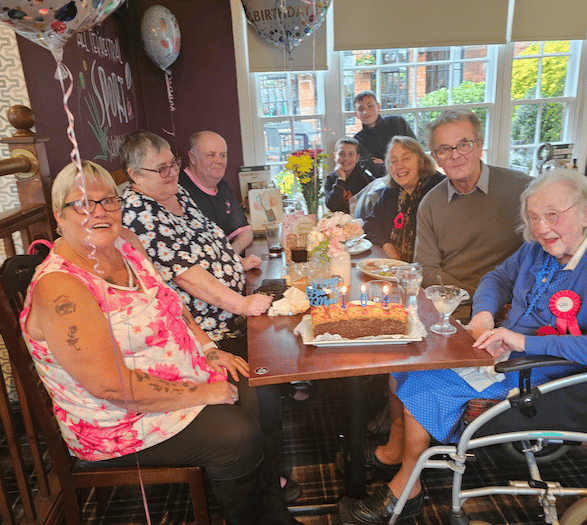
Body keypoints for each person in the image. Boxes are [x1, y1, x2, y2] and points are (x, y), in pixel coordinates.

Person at [21, 160, 269, 525]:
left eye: (109, 201)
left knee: (259, 390)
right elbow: (109, 385)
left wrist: (208, 349)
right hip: (115, 422)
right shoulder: (60, 286)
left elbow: (170, 301)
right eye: (83, 203)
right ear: (59, 215)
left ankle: (269, 506)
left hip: (174, 380)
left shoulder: (126, 243)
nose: (100, 212)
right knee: (238, 435)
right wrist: (202, 394)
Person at [344, 168, 587, 524]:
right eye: (533, 217)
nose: (541, 227)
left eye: (553, 215)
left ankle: (407, 486)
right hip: (499, 352)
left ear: (583, 212)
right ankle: (398, 449)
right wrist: (486, 312)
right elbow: (496, 278)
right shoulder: (535, 252)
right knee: (405, 361)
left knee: (424, 385)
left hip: (540, 379)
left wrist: (522, 340)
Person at [119, 131, 301, 524]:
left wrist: (237, 266)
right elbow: (184, 274)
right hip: (200, 333)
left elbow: (214, 242)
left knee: (279, 356)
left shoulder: (177, 194)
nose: (172, 172)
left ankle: (271, 487)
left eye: (172, 163)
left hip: (227, 322)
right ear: (135, 174)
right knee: (262, 389)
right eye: (162, 167)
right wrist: (239, 301)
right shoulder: (138, 211)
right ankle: (265, 502)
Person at [414, 108, 532, 320]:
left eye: (464, 144)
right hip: (453, 310)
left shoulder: (522, 189)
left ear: (479, 146)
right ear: (435, 158)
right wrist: (485, 297)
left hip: (513, 311)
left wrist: (507, 299)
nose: (455, 155)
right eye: (444, 149)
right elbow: (428, 270)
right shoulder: (430, 204)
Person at [363, 136, 444, 262]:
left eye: (406, 158)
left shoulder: (439, 189)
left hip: (429, 270)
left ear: (420, 161)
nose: (399, 166)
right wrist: (387, 245)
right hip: (393, 268)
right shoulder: (392, 190)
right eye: (393, 161)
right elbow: (371, 223)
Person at [179, 131, 253, 255]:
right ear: (192, 158)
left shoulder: (222, 186)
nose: (218, 161)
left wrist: (231, 255)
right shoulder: (178, 189)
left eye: (222, 155)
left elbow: (245, 231)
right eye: (211, 155)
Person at [353, 90, 416, 179]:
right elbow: (376, 170)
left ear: (378, 106)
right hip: (385, 183)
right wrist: (402, 159)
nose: (365, 112)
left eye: (370, 106)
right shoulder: (358, 140)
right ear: (356, 114)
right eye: (360, 109)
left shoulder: (397, 122)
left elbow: (416, 153)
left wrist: (384, 161)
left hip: (413, 175)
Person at [324, 138, 373, 213]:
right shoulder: (330, 178)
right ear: (334, 156)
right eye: (341, 154)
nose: (346, 158)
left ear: (357, 158)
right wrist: (341, 179)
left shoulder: (366, 179)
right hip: (337, 220)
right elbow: (332, 206)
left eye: (351, 154)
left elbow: (369, 207)